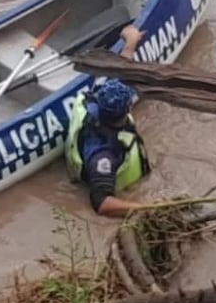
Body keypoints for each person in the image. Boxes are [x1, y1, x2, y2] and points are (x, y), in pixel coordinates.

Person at [64, 26, 152, 218]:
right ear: (128, 109)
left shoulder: (98, 99)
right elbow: (102, 204)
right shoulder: (103, 155)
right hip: (110, 172)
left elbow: (119, 76)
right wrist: (146, 209)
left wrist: (131, 42)